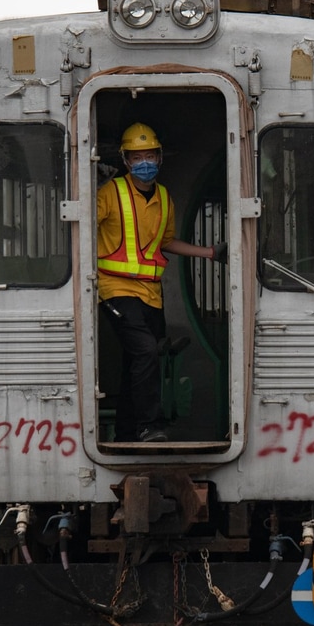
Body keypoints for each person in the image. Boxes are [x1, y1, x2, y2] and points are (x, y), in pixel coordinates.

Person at [97, 122, 225, 442]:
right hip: (114, 288)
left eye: (150, 155)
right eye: (137, 156)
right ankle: (149, 425)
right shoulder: (109, 193)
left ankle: (126, 433)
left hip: (150, 294)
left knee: (137, 362)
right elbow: (80, 226)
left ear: (160, 157)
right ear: (126, 160)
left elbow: (165, 242)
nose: (145, 162)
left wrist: (208, 252)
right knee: (144, 351)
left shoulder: (165, 197)